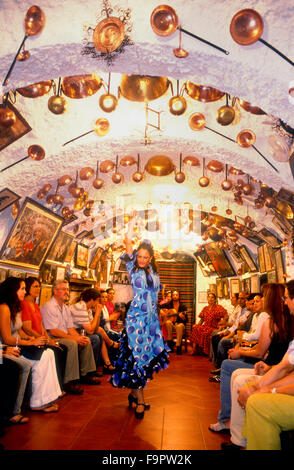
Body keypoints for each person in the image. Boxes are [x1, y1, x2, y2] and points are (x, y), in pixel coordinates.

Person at [209, 284, 292, 437]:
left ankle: (227, 420)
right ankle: (233, 428)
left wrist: (241, 351)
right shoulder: (280, 319)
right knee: (232, 363)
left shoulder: (270, 321)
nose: (257, 302)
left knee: (229, 366)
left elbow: (261, 352)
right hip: (270, 365)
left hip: (270, 367)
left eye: (263, 297)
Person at [110, 215, 169, 419]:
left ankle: (134, 394)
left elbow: (155, 298)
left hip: (151, 322)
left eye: (145, 257)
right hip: (136, 321)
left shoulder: (154, 272)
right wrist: (132, 223)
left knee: (142, 359)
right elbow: (128, 242)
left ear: (150, 258)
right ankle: (141, 400)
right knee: (138, 358)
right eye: (139, 256)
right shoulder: (132, 267)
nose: (142, 259)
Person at [227, 280, 294, 450]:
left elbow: (265, 355)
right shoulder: (276, 319)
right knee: (245, 384)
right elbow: (286, 364)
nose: (285, 302)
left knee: (252, 395)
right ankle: (241, 439)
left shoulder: (271, 321)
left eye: (287, 298)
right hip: (272, 367)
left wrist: (265, 389)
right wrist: (266, 373)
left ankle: (238, 439)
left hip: (275, 371)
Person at [0, 277, 62, 417]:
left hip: (18, 343)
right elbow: (7, 338)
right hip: (9, 346)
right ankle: (37, 402)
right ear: (12, 290)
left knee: (49, 353)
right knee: (43, 356)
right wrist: (30, 342)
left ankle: (47, 398)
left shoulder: (15, 306)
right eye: (22, 289)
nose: (24, 291)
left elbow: (20, 330)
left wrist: (31, 338)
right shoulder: (4, 308)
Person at [41, 280, 100, 395]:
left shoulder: (66, 308)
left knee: (86, 340)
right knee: (72, 344)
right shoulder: (49, 307)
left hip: (64, 335)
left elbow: (70, 328)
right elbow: (53, 331)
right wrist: (74, 339)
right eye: (64, 289)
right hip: (53, 338)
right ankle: (69, 381)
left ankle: (86, 374)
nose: (67, 292)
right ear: (55, 291)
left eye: (67, 289)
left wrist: (79, 337)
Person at [21, 276, 67, 392]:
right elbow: (27, 328)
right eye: (35, 286)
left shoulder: (36, 305)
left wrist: (49, 340)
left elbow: (41, 326)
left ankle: (59, 387)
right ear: (27, 288)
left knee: (61, 348)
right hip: (32, 339)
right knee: (55, 352)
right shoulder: (24, 304)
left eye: (39, 287)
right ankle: (53, 390)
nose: (38, 289)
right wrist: (42, 339)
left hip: (40, 338)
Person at [70, 288, 118, 374]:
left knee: (99, 335)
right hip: (72, 333)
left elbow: (95, 327)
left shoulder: (87, 308)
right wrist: (97, 313)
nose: (98, 303)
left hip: (80, 331)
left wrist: (97, 314)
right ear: (92, 300)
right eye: (97, 300)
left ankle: (93, 368)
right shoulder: (81, 308)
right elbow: (91, 331)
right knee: (95, 338)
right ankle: (89, 371)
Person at [210, 293, 255, 375]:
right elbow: (236, 326)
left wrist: (228, 333)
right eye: (239, 298)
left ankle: (221, 367)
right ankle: (218, 364)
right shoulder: (239, 309)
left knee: (222, 342)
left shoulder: (250, 314)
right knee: (215, 337)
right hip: (235, 333)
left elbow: (239, 328)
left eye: (244, 299)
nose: (241, 301)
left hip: (241, 337)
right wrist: (227, 331)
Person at [164, 290, 188, 355]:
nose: (175, 296)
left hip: (180, 324)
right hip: (172, 324)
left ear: (179, 296)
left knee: (179, 326)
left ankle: (178, 346)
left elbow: (186, 320)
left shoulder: (183, 306)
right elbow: (159, 307)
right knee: (168, 322)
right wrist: (162, 312)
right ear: (172, 296)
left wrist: (183, 317)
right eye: (173, 295)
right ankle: (170, 345)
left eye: (176, 295)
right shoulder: (168, 305)